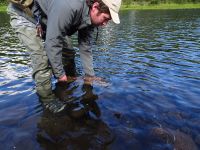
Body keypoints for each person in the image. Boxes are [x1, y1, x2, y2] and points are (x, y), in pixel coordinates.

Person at [7, 0, 122, 113]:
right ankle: (47, 99)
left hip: (49, 17)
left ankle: (70, 80)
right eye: (105, 18)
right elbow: (52, 43)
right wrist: (60, 74)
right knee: (41, 59)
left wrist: (90, 76)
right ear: (95, 7)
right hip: (26, 15)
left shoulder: (91, 18)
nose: (105, 24)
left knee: (68, 52)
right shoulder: (69, 6)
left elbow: (86, 49)